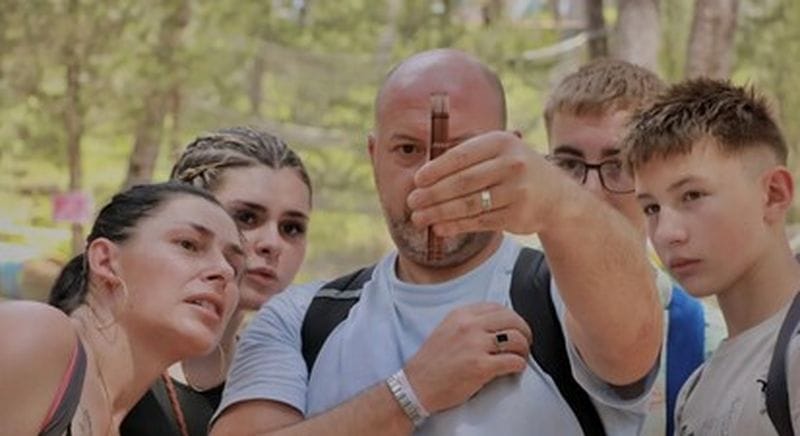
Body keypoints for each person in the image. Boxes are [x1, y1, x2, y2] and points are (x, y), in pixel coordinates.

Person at [211, 48, 663, 436]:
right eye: (407, 150)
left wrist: (557, 201)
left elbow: (633, 340)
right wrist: (411, 391)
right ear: (374, 156)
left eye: (460, 150)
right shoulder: (302, 316)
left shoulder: (564, 294)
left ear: (510, 151)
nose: (430, 176)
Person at [542, 58, 726, 435]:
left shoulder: (711, 348)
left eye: (618, 165)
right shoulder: (489, 317)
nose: (589, 192)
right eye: (569, 164)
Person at [623, 78, 800, 434]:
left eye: (692, 196)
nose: (667, 233)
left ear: (773, 194)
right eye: (652, 207)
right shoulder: (695, 389)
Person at [2, 182, 242, 435]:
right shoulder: (38, 335)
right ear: (105, 260)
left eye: (234, 265)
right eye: (189, 245)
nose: (225, 271)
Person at [121, 127, 313, 435]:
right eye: (247, 217)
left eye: (291, 228)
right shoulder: (108, 349)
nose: (272, 244)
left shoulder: (287, 380)